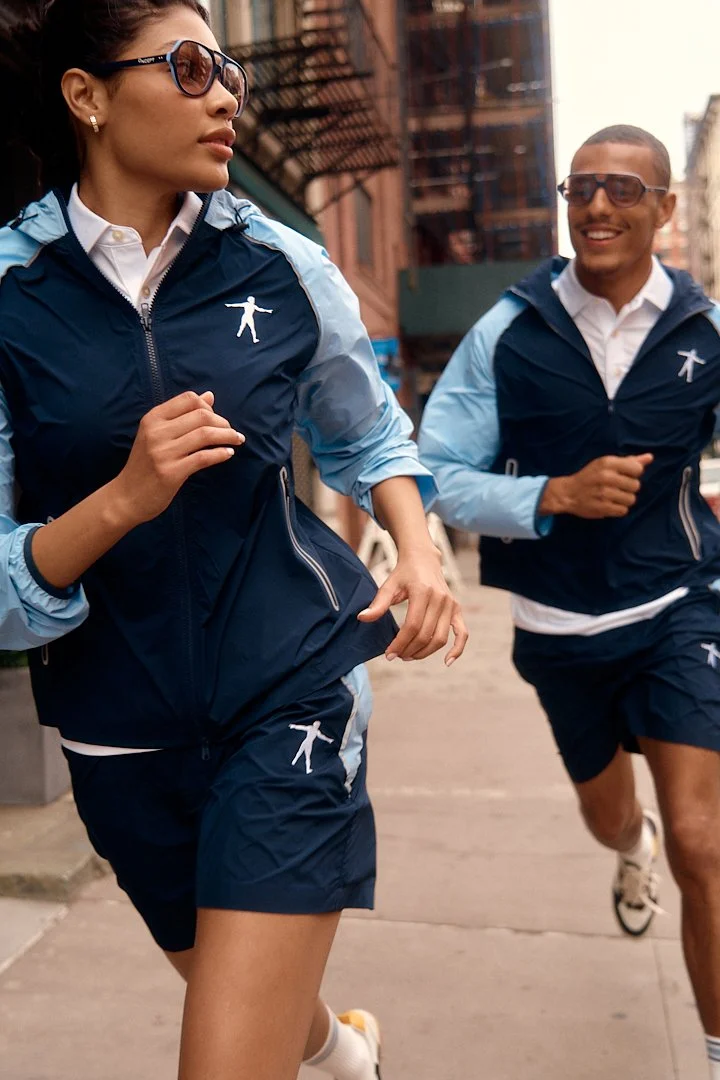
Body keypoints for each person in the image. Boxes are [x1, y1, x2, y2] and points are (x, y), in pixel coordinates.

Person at [0, 2, 469, 1078]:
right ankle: (348, 1059)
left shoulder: (281, 264)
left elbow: (368, 436)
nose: (226, 96)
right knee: (247, 1000)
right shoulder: (10, 295)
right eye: (191, 67)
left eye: (231, 73)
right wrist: (119, 500)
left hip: (289, 688)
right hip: (119, 731)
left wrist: (420, 549)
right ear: (88, 96)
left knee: (223, 1059)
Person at [419, 124, 720, 1078]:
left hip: (678, 606)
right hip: (557, 632)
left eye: (624, 190)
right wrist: (548, 495)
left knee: (704, 842)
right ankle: (625, 849)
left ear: (666, 211)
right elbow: (434, 473)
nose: (597, 206)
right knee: (611, 815)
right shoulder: (508, 330)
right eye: (581, 187)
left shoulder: (705, 334)